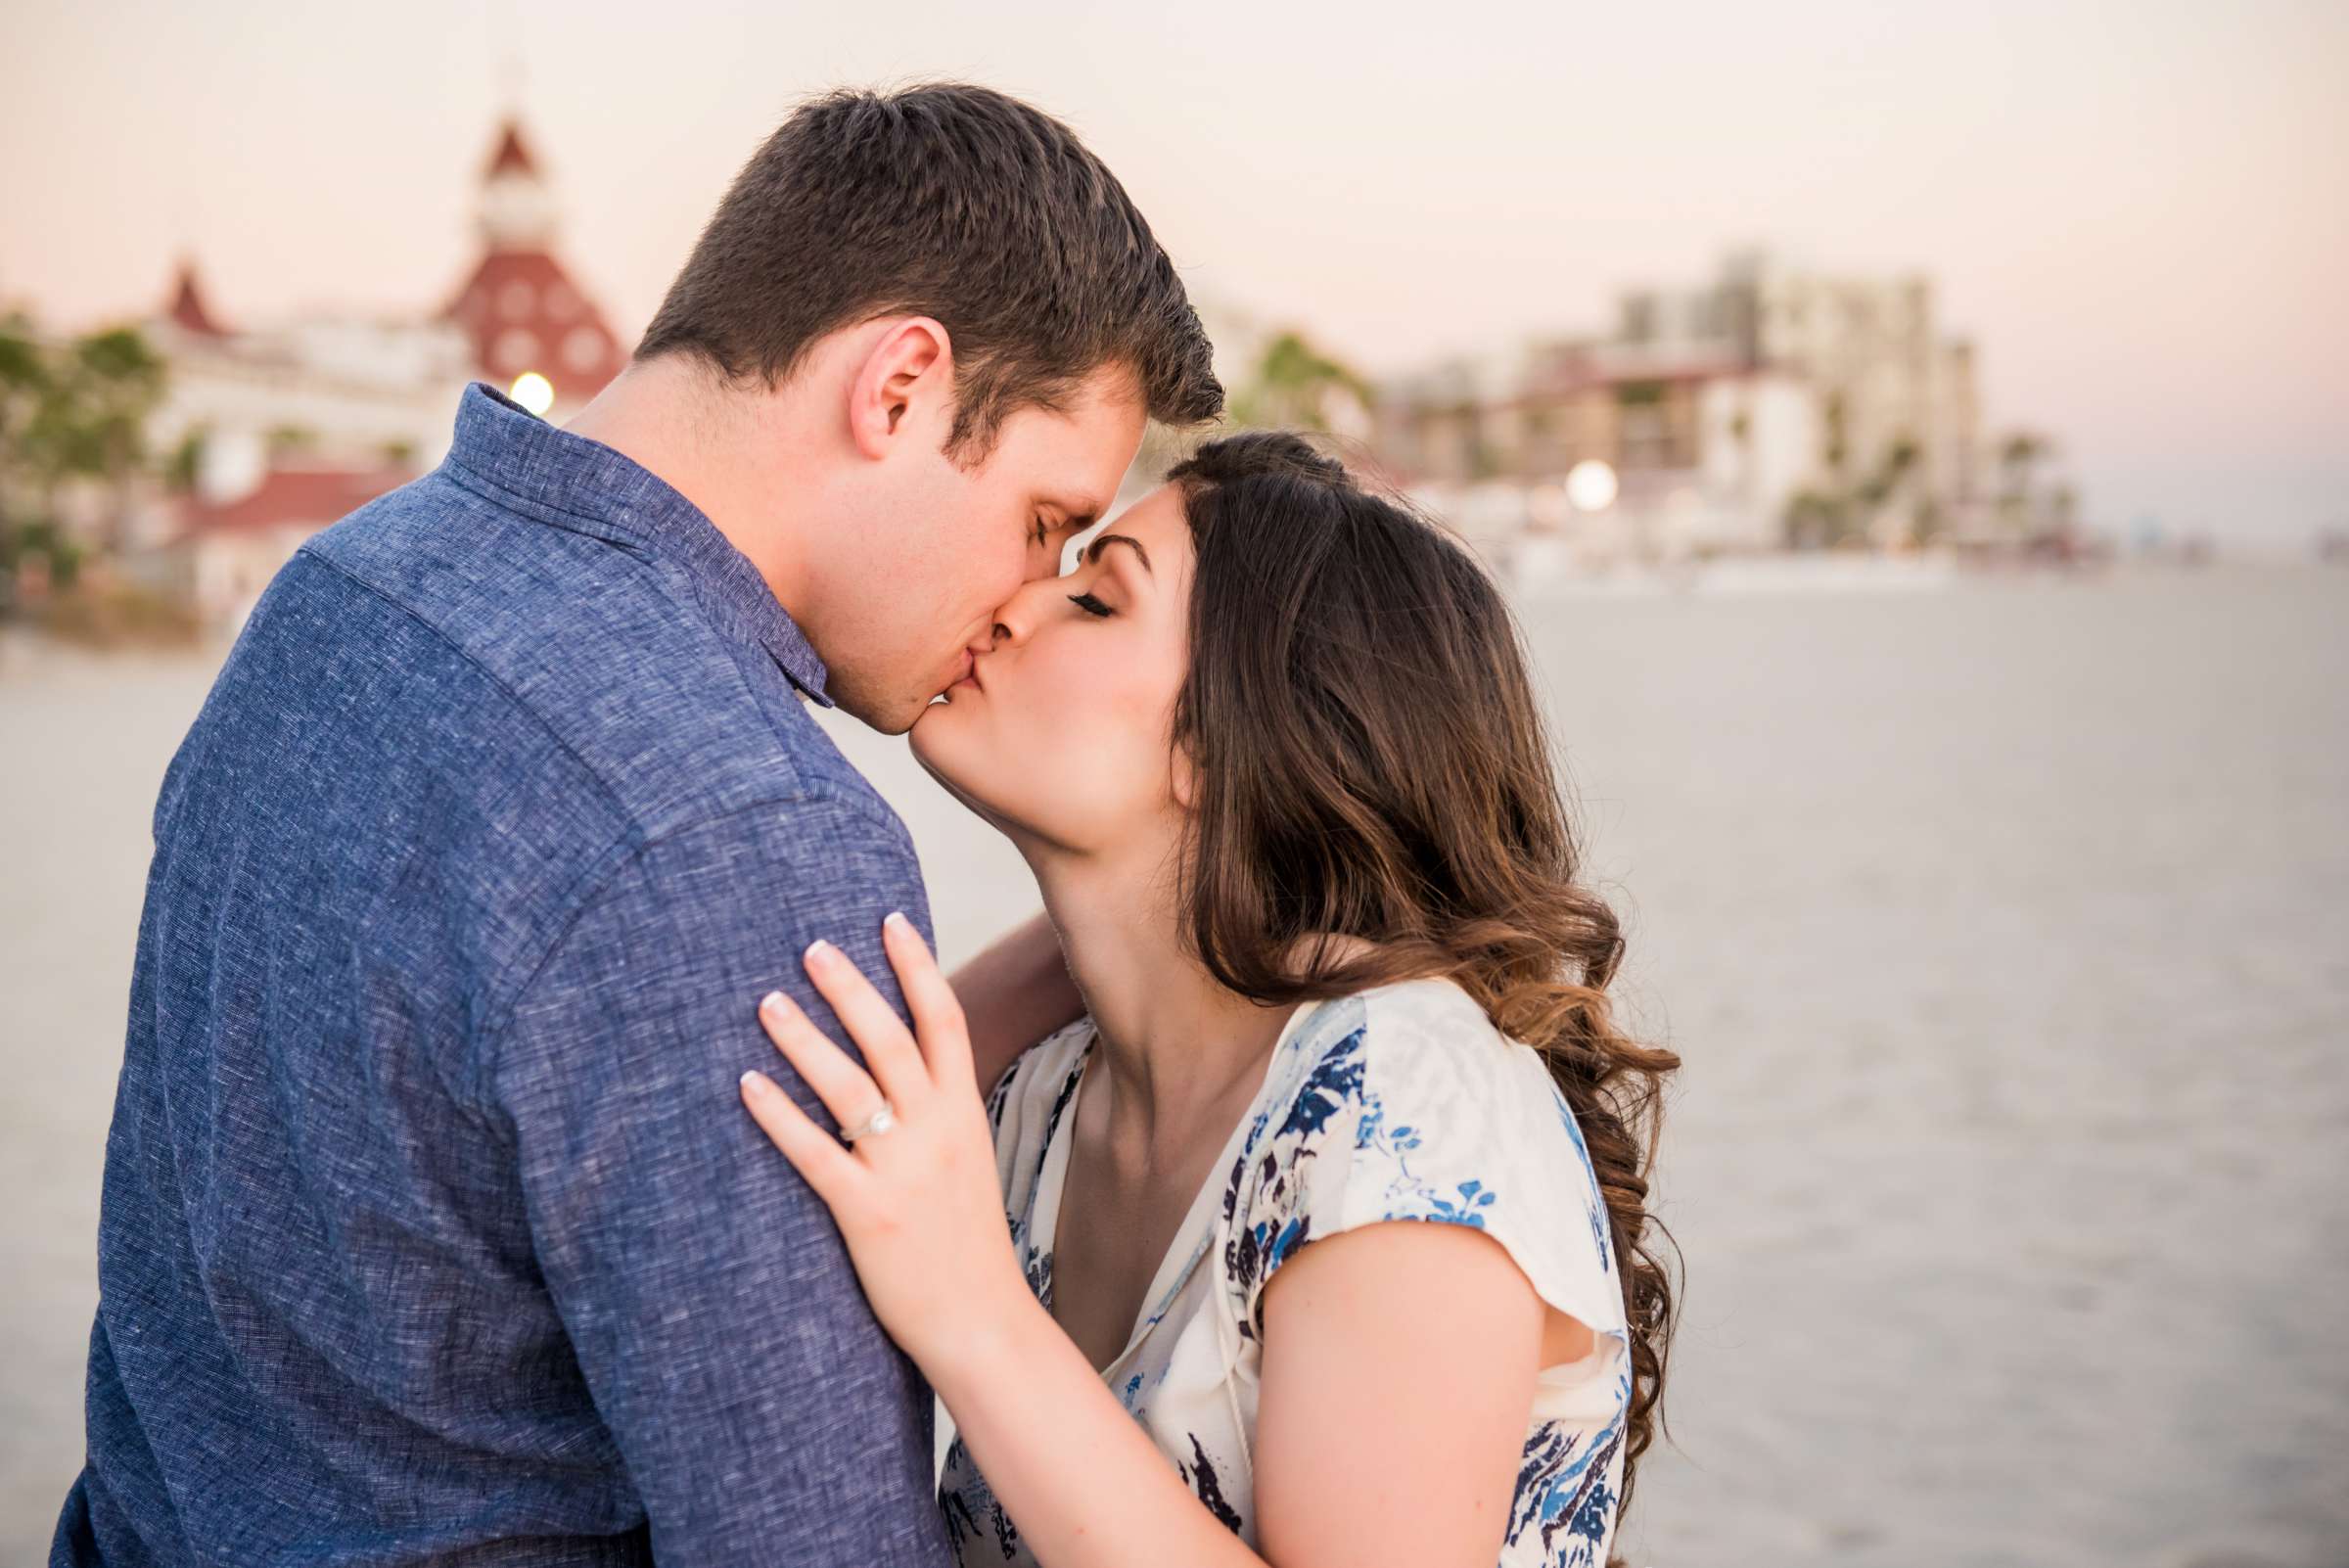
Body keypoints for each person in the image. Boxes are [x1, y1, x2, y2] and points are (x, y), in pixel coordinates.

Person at [54, 83, 1220, 1565]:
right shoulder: (745, 826)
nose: (1021, 598)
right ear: (901, 385)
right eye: (1046, 521)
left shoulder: (339, 589)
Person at [739, 434, 1681, 1568]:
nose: (1010, 607)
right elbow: (832, 1127)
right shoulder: (1060, 1088)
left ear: (1222, 738)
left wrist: (973, 1316)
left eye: (1093, 598)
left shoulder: (1404, 1109)